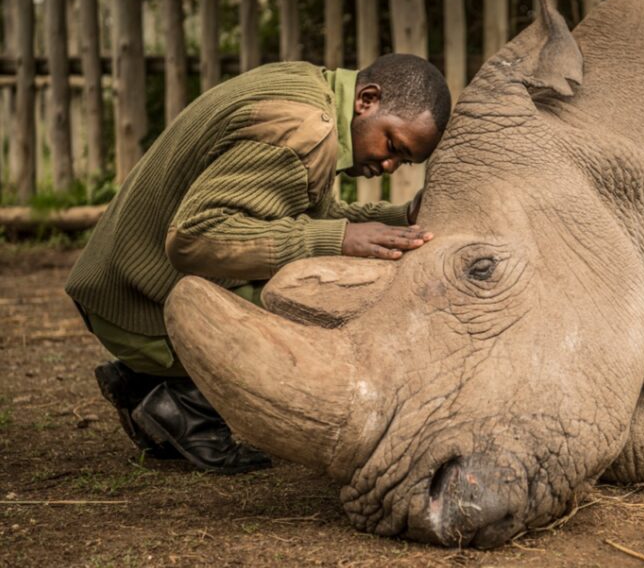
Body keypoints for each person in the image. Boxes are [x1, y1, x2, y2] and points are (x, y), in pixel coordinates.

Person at [65, 54, 452, 474]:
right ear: (367, 100)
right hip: (136, 305)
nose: (389, 164)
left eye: (404, 161)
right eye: (393, 145)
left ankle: (149, 381)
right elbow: (194, 238)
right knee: (331, 302)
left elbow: (300, 215)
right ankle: (183, 401)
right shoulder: (304, 130)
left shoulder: (309, 90)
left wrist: (400, 219)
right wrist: (337, 240)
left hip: (120, 285)